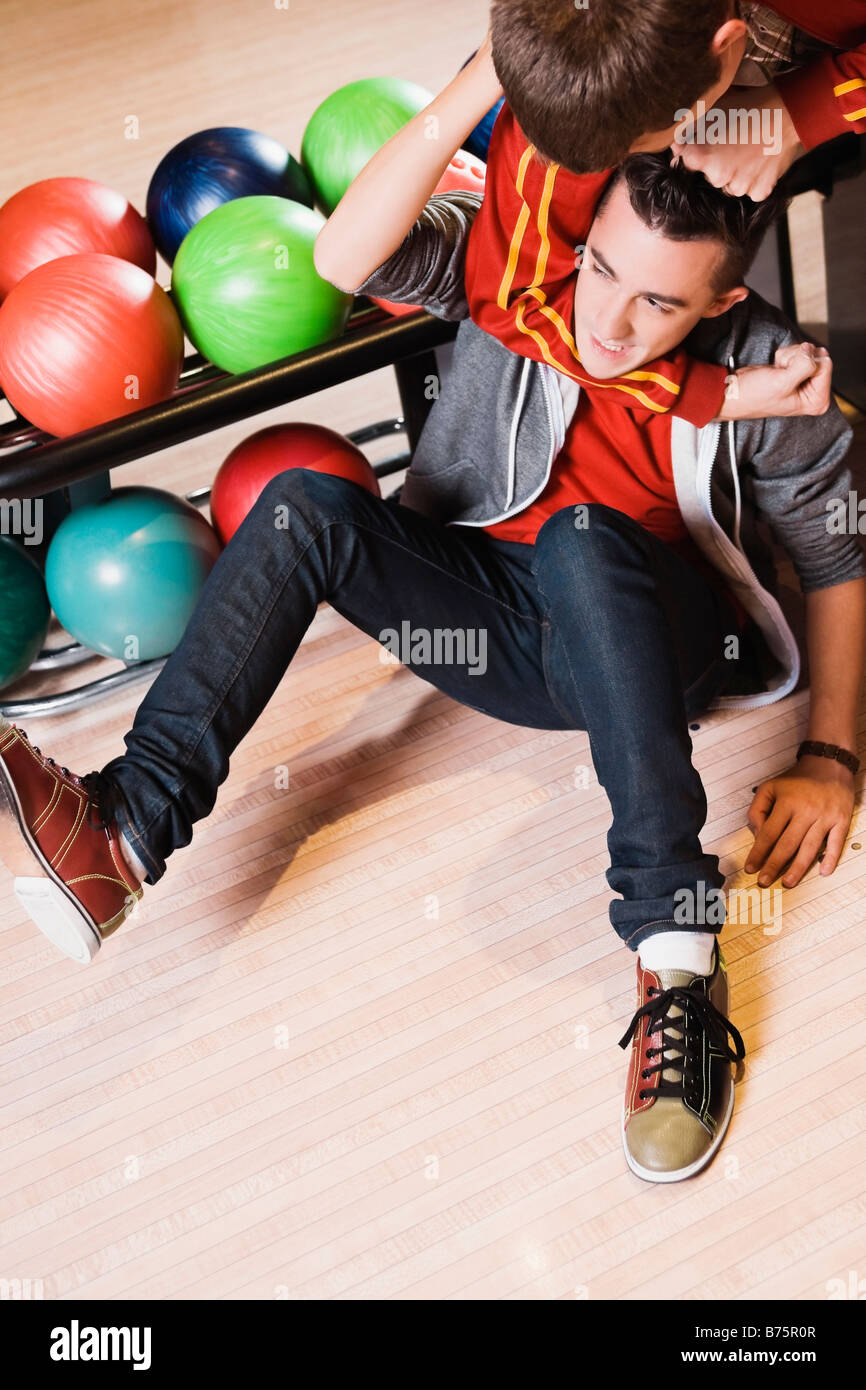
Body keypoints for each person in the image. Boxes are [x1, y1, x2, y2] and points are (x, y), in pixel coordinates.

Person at [1, 47, 863, 1183]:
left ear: (722, 300)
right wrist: (482, 79)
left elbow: (837, 546)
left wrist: (832, 755)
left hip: (658, 647)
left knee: (583, 536)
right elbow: (343, 251)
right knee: (309, 503)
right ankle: (125, 829)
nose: (606, 319)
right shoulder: (516, 270)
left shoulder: (760, 360)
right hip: (501, 629)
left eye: (656, 302)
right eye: (599, 270)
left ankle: (678, 961)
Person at [466, 3, 866, 418]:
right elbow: (514, 302)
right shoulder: (577, 66)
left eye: (638, 144)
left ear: (728, 44)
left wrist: (805, 109)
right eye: (601, 269)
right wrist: (719, 397)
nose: (610, 325)